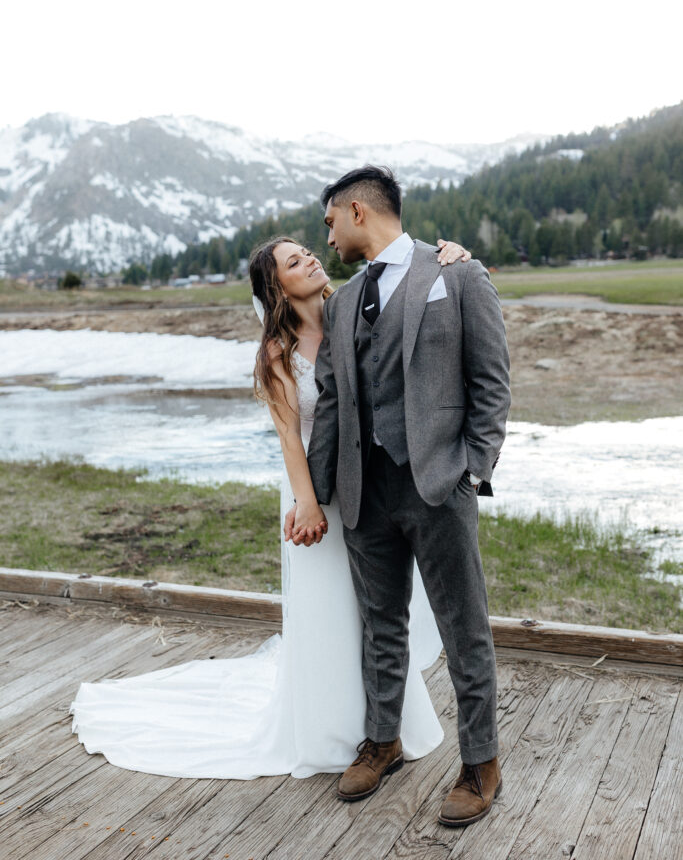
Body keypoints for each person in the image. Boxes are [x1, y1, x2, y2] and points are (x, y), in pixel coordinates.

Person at [69, 231, 470, 779]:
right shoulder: (277, 353)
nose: (309, 258)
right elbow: (289, 438)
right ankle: (331, 731)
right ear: (276, 285)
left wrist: (452, 255)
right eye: (292, 260)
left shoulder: (355, 308)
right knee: (329, 613)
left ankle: (386, 728)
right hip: (311, 489)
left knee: (378, 616)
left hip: (367, 485)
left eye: (307, 251)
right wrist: (308, 504)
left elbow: (409, 283)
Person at [294, 165, 511, 826]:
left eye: (330, 221)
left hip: (437, 484)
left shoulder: (456, 274)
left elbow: (490, 380)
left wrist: (473, 467)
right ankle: (382, 741)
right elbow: (329, 404)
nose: (325, 236)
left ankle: (481, 763)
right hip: (364, 493)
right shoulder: (340, 302)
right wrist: (317, 491)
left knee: (462, 628)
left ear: (358, 212)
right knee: (379, 625)